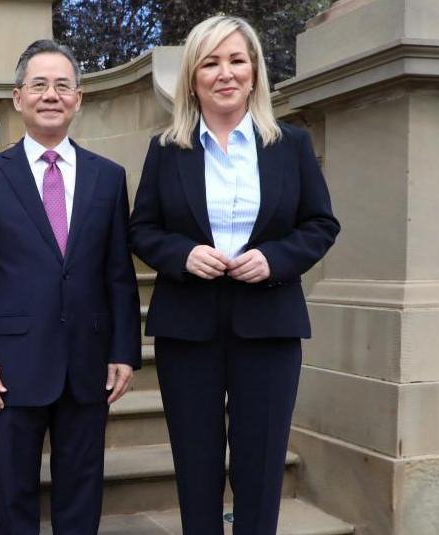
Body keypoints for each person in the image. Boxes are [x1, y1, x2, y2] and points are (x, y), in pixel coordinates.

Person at [128, 15, 341, 535]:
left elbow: (320, 224)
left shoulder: (290, 144)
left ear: (254, 72)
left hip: (269, 325)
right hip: (188, 327)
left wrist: (276, 260)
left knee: (262, 467)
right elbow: (143, 229)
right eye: (211, 62)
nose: (225, 73)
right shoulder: (166, 149)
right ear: (193, 77)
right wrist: (182, 255)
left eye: (237, 60)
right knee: (196, 465)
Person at [0, 39, 141, 534]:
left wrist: (124, 349)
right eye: (39, 85)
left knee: (82, 491)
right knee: (14, 496)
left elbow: (118, 274)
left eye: (62, 85)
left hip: (88, 363)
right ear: (18, 98)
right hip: (10, 368)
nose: (51, 95)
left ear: (78, 98)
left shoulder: (108, 178)